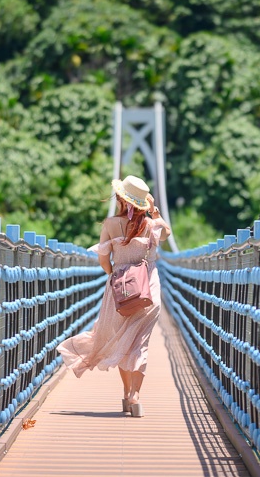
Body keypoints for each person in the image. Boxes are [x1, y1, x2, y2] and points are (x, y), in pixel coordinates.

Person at [56, 175, 172, 417]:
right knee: (140, 344)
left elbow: (102, 258)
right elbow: (166, 234)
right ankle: (136, 396)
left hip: (120, 290)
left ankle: (126, 393)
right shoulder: (151, 225)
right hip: (148, 290)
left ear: (120, 198)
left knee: (122, 340)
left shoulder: (109, 224)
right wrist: (156, 213)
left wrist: (113, 275)